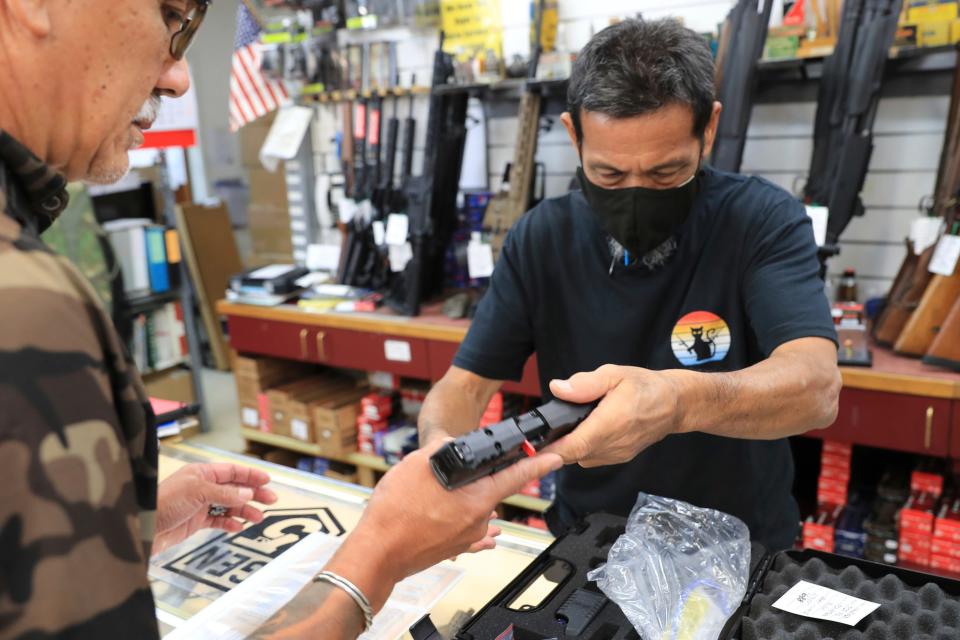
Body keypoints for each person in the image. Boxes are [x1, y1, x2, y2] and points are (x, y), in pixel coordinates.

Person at [0, 2, 561, 638]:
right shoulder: (25, 305)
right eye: (171, 15)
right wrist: (377, 557)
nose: (179, 77)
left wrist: (124, 520)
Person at [419, 18, 842, 552]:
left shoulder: (762, 220)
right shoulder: (540, 237)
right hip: (589, 544)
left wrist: (675, 401)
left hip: (739, 548)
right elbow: (465, 387)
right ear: (574, 134)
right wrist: (438, 455)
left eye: (666, 174)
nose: (636, 198)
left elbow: (816, 386)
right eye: (610, 176)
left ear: (708, 129)